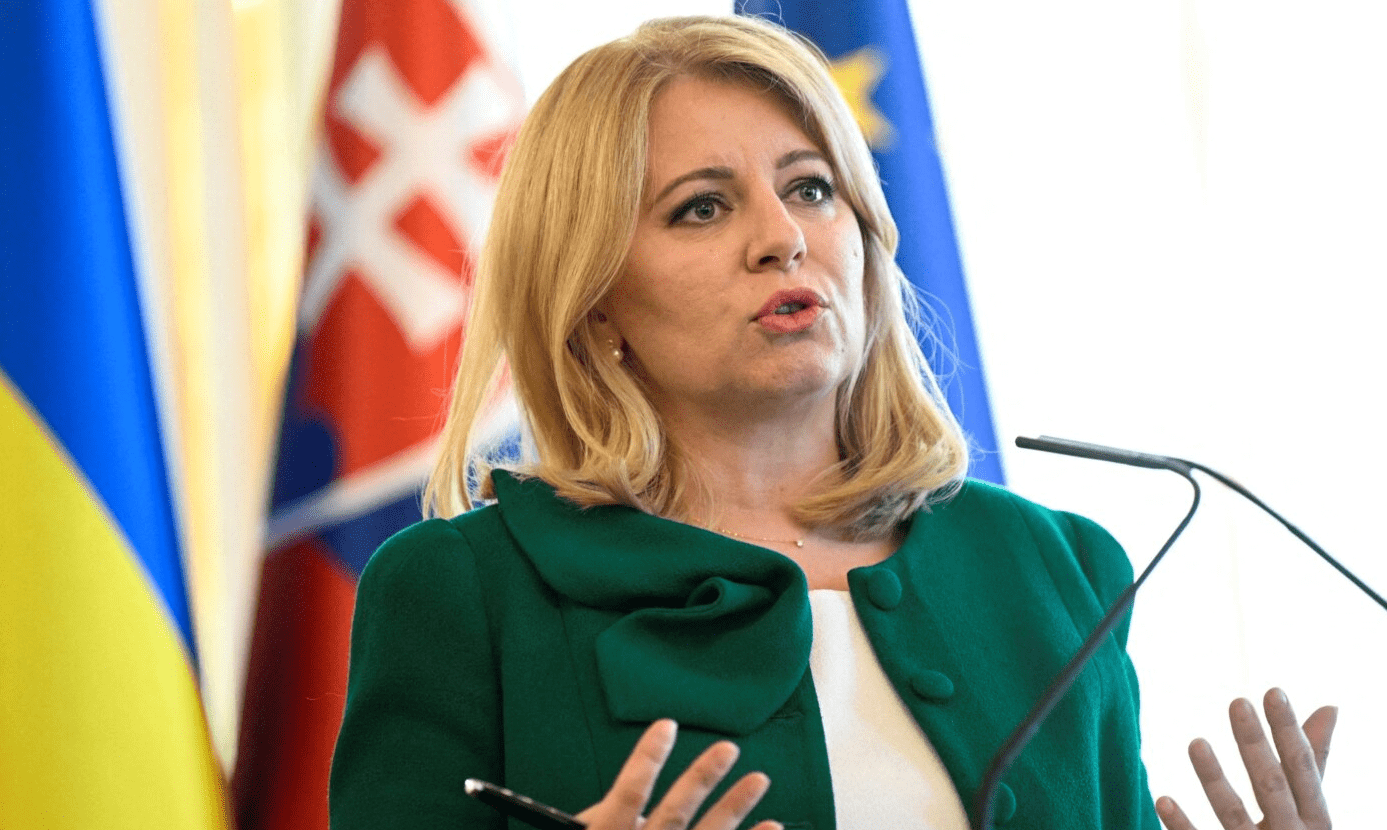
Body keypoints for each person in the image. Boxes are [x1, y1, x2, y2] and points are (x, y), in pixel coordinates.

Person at [328, 15, 1335, 830]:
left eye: (810, 188)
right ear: (593, 302)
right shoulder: (461, 592)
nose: (782, 237)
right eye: (700, 207)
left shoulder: (1054, 567)